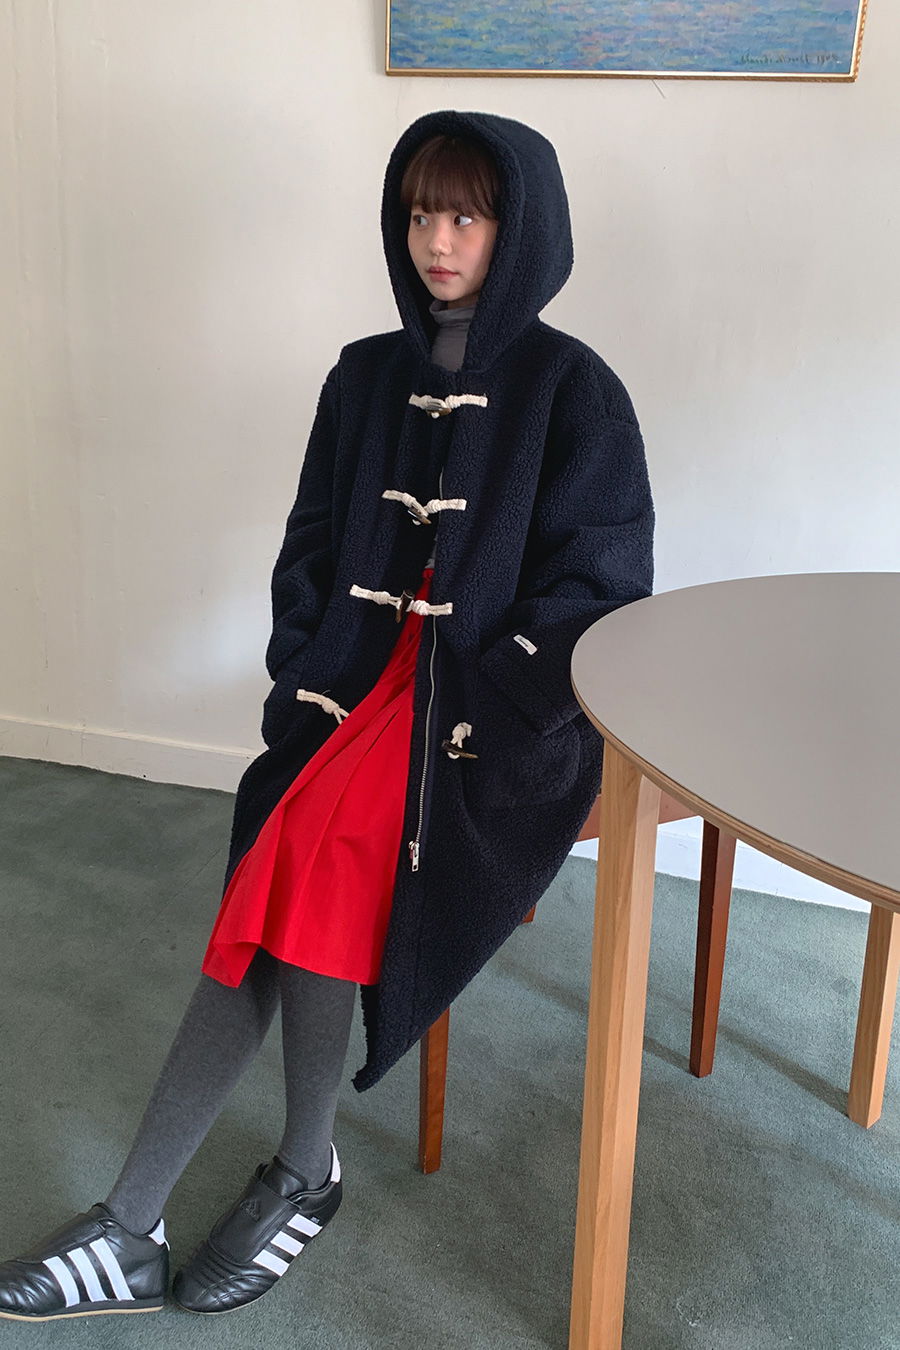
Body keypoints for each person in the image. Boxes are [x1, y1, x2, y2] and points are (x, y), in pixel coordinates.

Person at [0, 109, 654, 1322]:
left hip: (483, 715)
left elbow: (602, 587)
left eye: (467, 217)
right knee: (294, 856)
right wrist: (303, 660)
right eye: (420, 214)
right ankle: (273, 1182)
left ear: (521, 231)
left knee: (306, 848)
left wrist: (497, 697)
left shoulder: (576, 390)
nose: (437, 241)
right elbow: (308, 547)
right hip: (354, 684)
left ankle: (159, 1214)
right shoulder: (363, 376)